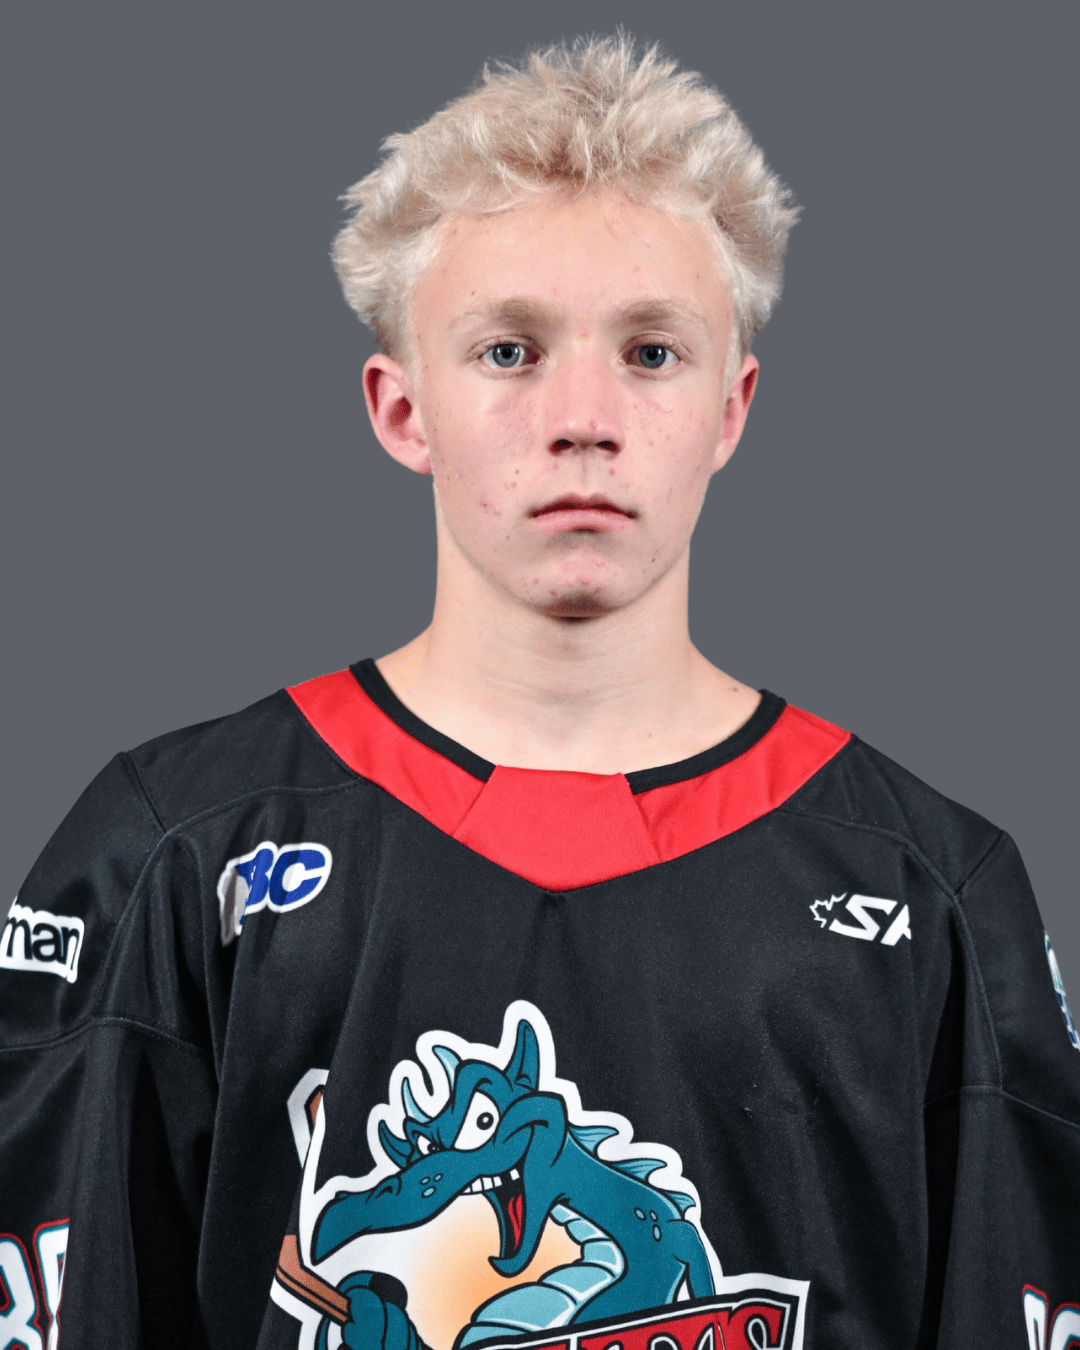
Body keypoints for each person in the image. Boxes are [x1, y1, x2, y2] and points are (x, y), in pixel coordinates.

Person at [1, 34, 1077, 1350]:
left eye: (652, 352)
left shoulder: (934, 886)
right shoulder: (170, 848)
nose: (583, 417)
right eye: (509, 350)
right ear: (403, 409)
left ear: (732, 409)